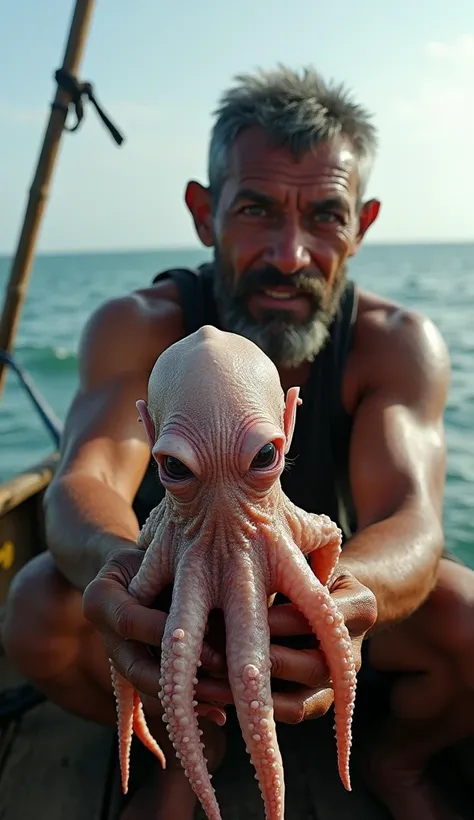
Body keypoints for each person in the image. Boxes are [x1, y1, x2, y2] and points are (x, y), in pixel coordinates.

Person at [2, 65, 474, 820]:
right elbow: (84, 479)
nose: (290, 253)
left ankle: (398, 758)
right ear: (202, 212)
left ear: (363, 224)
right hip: (168, 617)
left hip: (317, 615)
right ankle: (180, 752)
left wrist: (341, 595)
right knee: (36, 607)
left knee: (466, 614)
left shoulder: (394, 345)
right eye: (256, 209)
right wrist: (127, 582)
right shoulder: (138, 326)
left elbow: (414, 519)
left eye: (326, 214)